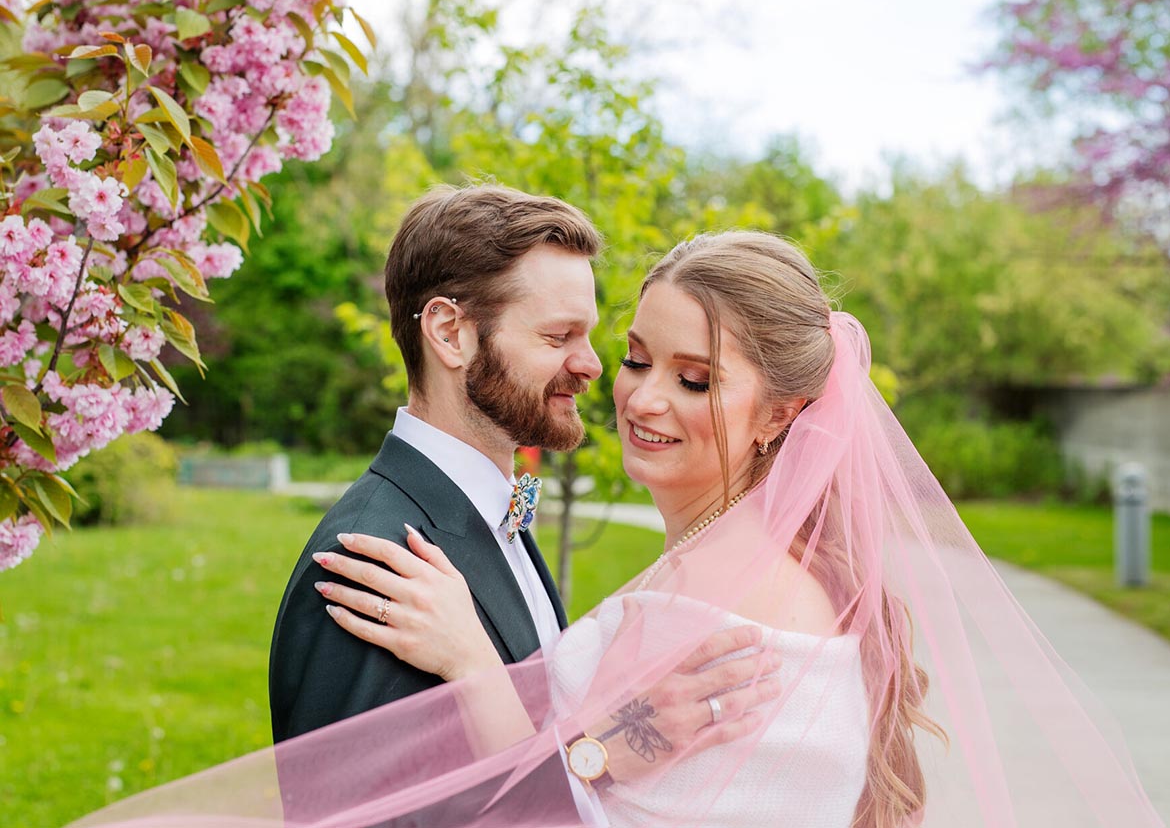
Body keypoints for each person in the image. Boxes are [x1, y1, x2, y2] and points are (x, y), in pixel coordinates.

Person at [71, 230, 1163, 828]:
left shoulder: (726, 591)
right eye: (636, 357)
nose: (634, 394)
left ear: (787, 410)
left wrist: (475, 664)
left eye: (695, 378)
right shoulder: (750, 557)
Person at [267, 187, 779, 826]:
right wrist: (603, 754)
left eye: (590, 337)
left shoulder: (494, 518)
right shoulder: (379, 562)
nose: (592, 365)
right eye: (559, 335)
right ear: (451, 333)